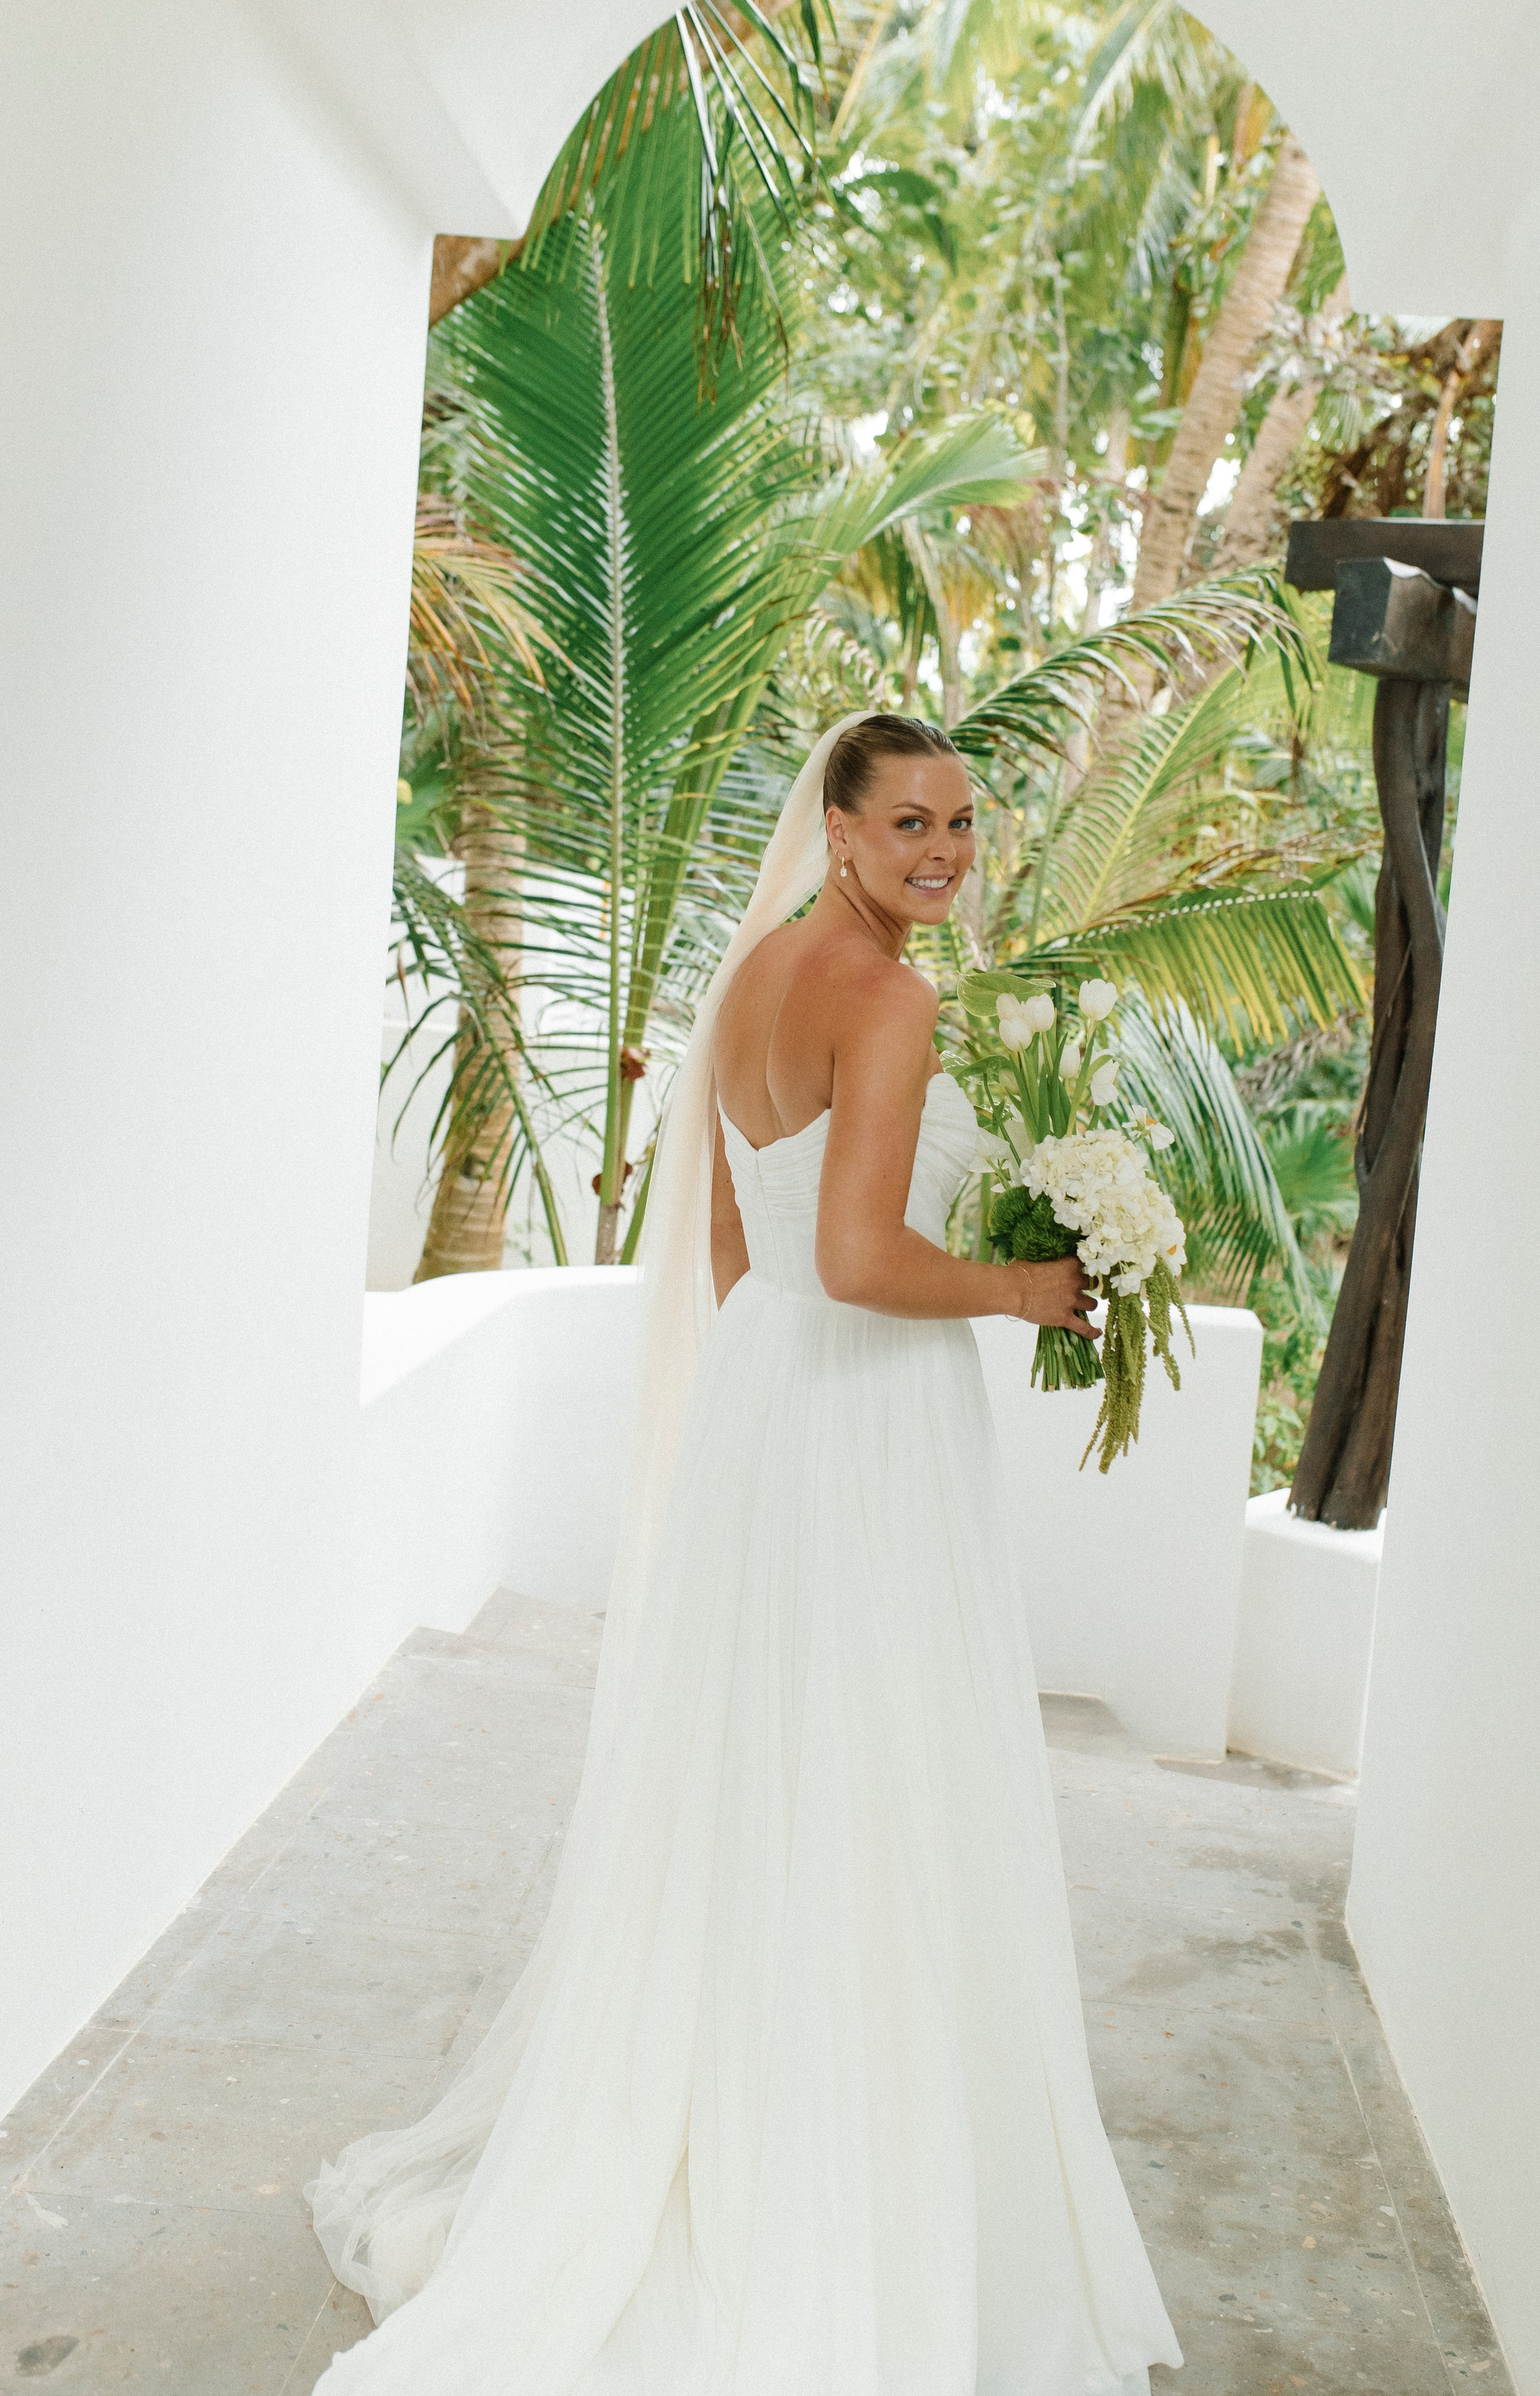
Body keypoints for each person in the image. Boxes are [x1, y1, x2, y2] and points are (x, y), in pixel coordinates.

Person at [306, 712, 1183, 2391]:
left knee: (755, 1776)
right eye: (909, 823)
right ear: (840, 830)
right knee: (879, 1780)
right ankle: (848, 2190)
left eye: (962, 824)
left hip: (771, 1410)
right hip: (863, 1414)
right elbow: (857, 1257)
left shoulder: (758, 977)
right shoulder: (890, 996)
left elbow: (732, 1240)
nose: (941, 852)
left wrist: (770, 1415)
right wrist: (1019, 1290)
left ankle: (731, 2123)